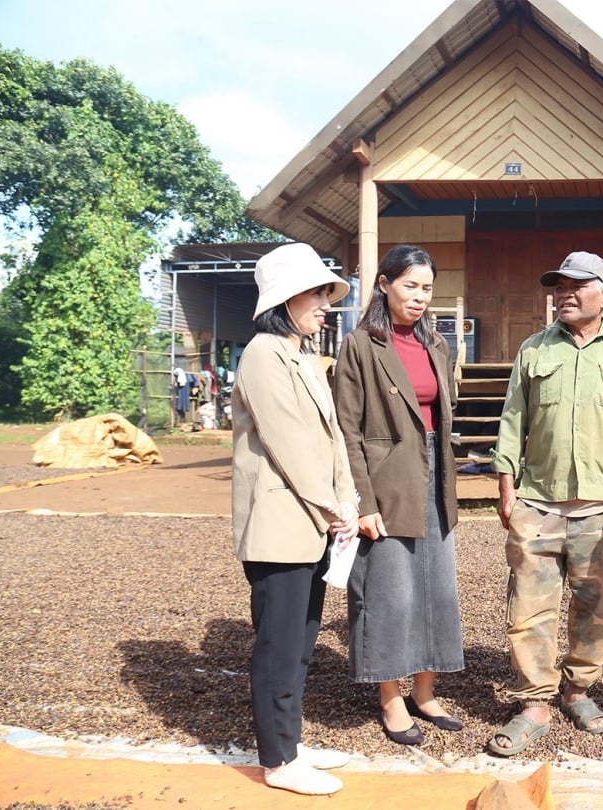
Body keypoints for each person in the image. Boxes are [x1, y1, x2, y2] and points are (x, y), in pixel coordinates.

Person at [487, 251, 603, 757]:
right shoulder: (534, 350)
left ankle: (578, 690)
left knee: (595, 606)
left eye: (576, 285)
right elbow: (513, 419)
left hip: (602, 506)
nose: (564, 293)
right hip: (537, 502)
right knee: (528, 609)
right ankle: (534, 703)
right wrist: (505, 483)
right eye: (559, 286)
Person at [231, 242, 360, 796]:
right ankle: (278, 761)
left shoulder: (302, 357)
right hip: (282, 528)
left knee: (301, 644)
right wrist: (335, 510)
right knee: (279, 646)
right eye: (316, 292)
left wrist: (347, 504)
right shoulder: (263, 354)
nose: (326, 303)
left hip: (310, 526)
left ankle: (291, 742)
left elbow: (330, 444)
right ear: (284, 298)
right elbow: (288, 445)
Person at [333, 244, 465, 746]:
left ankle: (425, 693)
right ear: (384, 284)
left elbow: (442, 416)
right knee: (389, 592)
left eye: (427, 288)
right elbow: (346, 429)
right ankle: (391, 698)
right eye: (410, 285)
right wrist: (363, 502)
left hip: (435, 474)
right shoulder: (360, 345)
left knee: (436, 588)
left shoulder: (437, 344)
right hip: (386, 479)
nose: (420, 297)